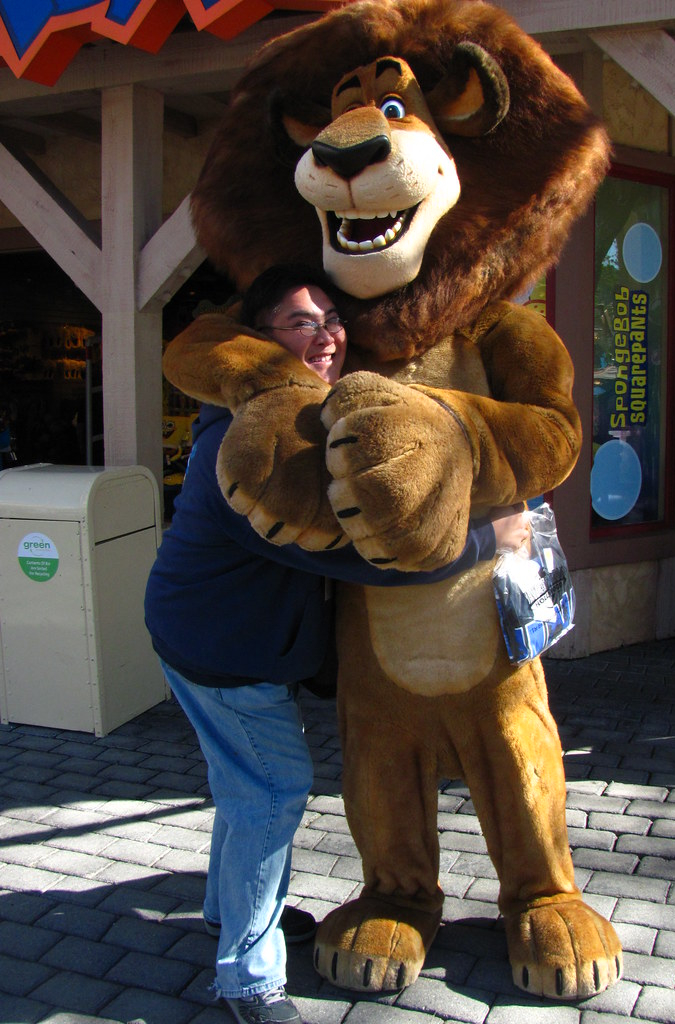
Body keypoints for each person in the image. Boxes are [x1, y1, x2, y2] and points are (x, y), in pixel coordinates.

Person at [144, 264, 497, 1024]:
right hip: (219, 652)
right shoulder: (247, 443)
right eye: (302, 322)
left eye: (332, 318)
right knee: (272, 791)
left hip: (218, 637)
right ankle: (247, 976)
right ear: (259, 339)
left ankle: (223, 909)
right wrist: (482, 542)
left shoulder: (297, 409)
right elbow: (345, 554)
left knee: (243, 786)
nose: (328, 335)